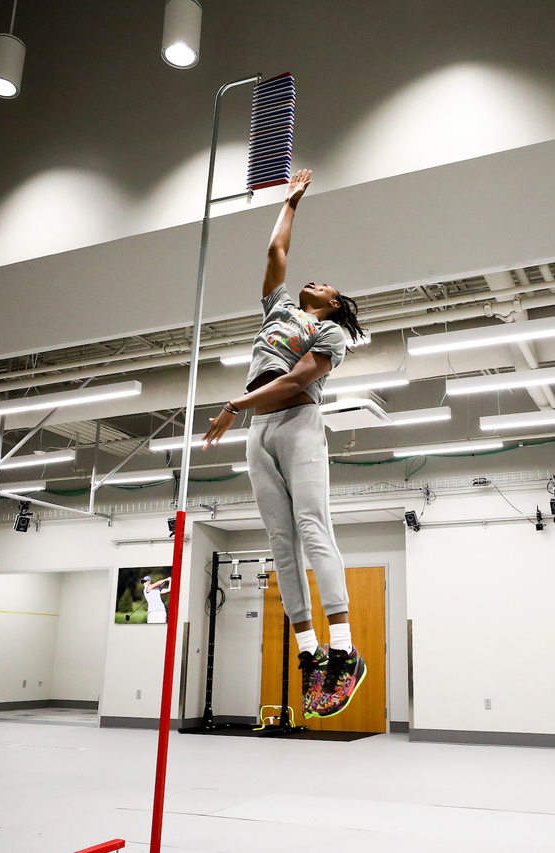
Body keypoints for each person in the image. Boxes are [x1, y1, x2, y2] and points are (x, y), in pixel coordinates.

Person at [202, 168, 367, 720]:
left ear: (335, 304)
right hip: (260, 431)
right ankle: (308, 652)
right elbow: (275, 250)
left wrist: (235, 403)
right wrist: (291, 202)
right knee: (280, 541)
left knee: (312, 528)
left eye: (326, 284)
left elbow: (298, 380)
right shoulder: (278, 311)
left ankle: (343, 650)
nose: (314, 280)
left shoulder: (331, 333)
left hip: (297, 422)